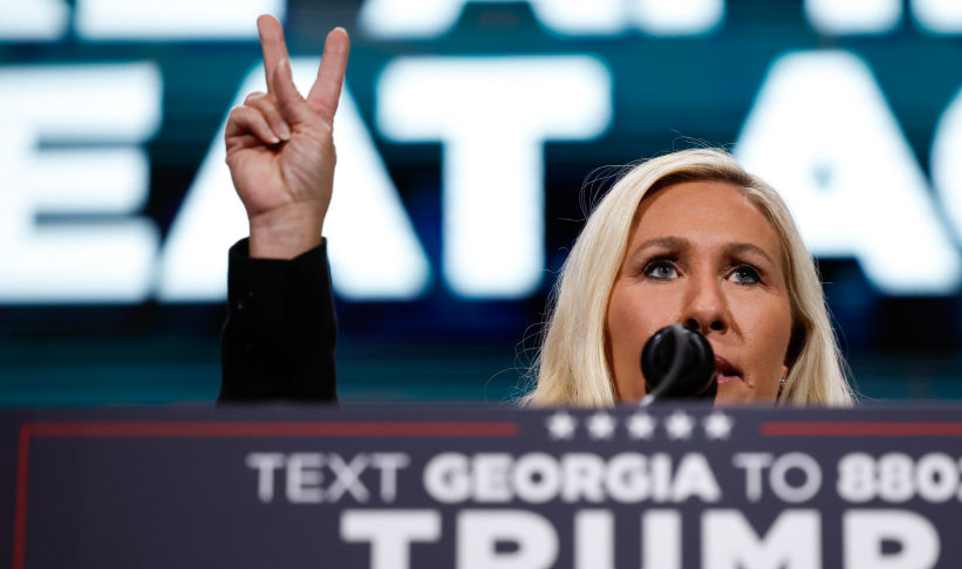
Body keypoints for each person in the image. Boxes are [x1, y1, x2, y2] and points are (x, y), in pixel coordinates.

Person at [220, 15, 853, 407]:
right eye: (661, 267)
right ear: (596, 324)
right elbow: (277, 521)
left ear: (792, 351)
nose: (706, 308)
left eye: (746, 274)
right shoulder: (482, 531)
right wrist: (283, 234)